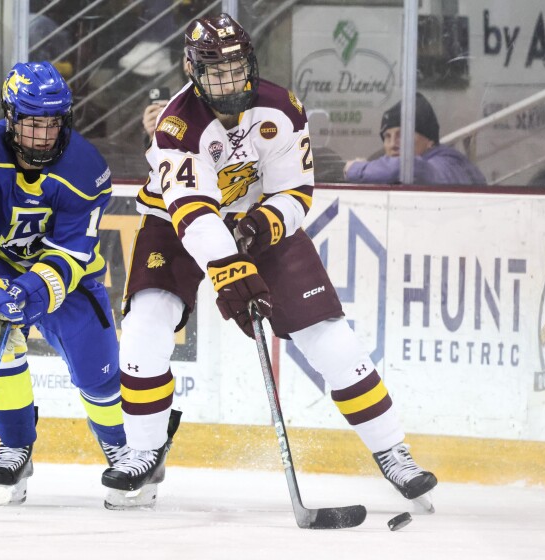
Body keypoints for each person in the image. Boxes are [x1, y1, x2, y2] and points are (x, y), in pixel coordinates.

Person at [102, 13, 438, 510]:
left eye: (236, 68)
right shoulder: (177, 126)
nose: (228, 80)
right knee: (147, 325)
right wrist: (228, 267)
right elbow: (193, 213)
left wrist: (261, 225)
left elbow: (296, 191)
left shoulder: (281, 108)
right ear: (191, 71)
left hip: (260, 222)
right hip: (176, 227)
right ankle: (144, 453)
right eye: (215, 70)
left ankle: (394, 452)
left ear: (251, 64)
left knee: (330, 338)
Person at [0, 61, 129, 505]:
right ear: (10, 118)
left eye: (52, 124)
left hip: (72, 279)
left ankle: (125, 452)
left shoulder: (86, 167)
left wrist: (37, 288)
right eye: (31, 124)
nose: (43, 136)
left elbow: (70, 252)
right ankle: (15, 448)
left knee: (96, 373)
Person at [344, 92, 486, 185]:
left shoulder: (448, 163)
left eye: (402, 135)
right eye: (387, 137)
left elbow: (406, 168)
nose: (393, 144)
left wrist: (355, 169)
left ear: (430, 141)